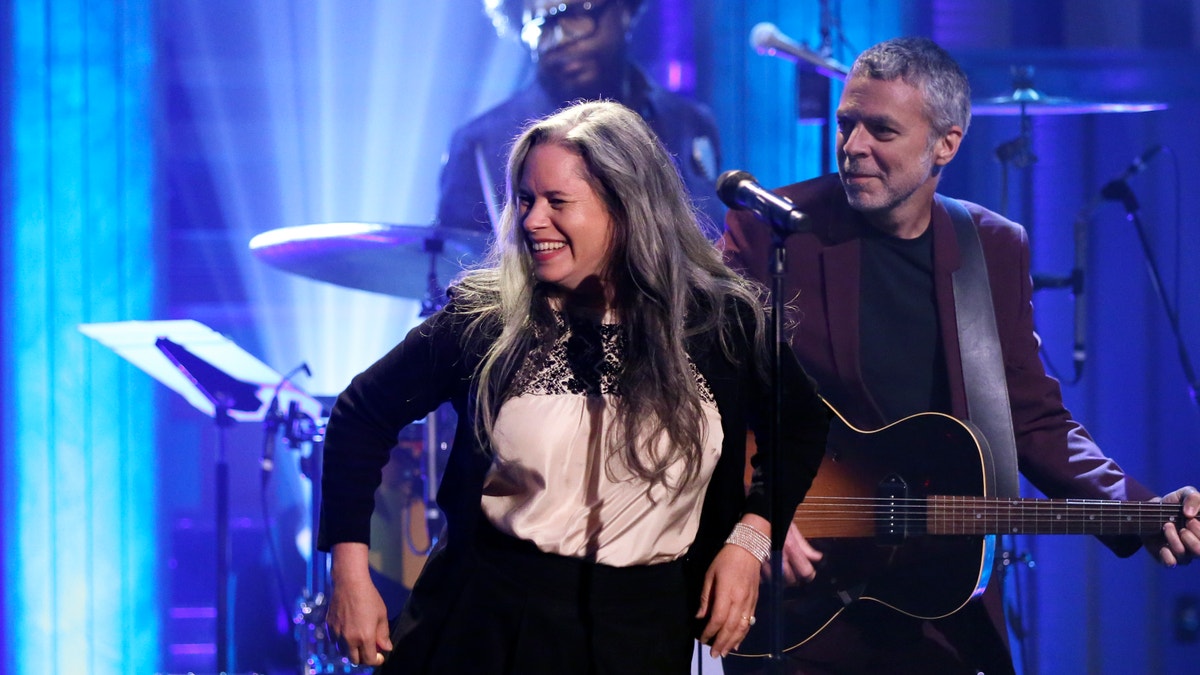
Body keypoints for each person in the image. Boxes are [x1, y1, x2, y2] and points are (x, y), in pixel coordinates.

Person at [720, 36, 1200, 675]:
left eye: (881, 130)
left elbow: (1031, 417)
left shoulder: (991, 246)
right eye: (847, 124)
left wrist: (1139, 509)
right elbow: (703, 392)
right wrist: (754, 516)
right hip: (801, 595)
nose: (853, 146)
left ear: (945, 144)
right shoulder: (776, 227)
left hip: (936, 592)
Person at [318, 100, 830, 673]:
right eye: (527, 200)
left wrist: (751, 538)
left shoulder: (719, 322)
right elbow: (360, 413)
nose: (533, 220)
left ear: (626, 206)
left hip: (643, 629)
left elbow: (802, 426)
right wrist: (350, 571)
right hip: (489, 622)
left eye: (558, 203)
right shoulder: (490, 319)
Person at [437, 0, 725, 240]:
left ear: (626, 9)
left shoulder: (690, 123)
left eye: (576, 13)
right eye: (541, 26)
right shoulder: (480, 145)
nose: (560, 39)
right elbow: (453, 273)